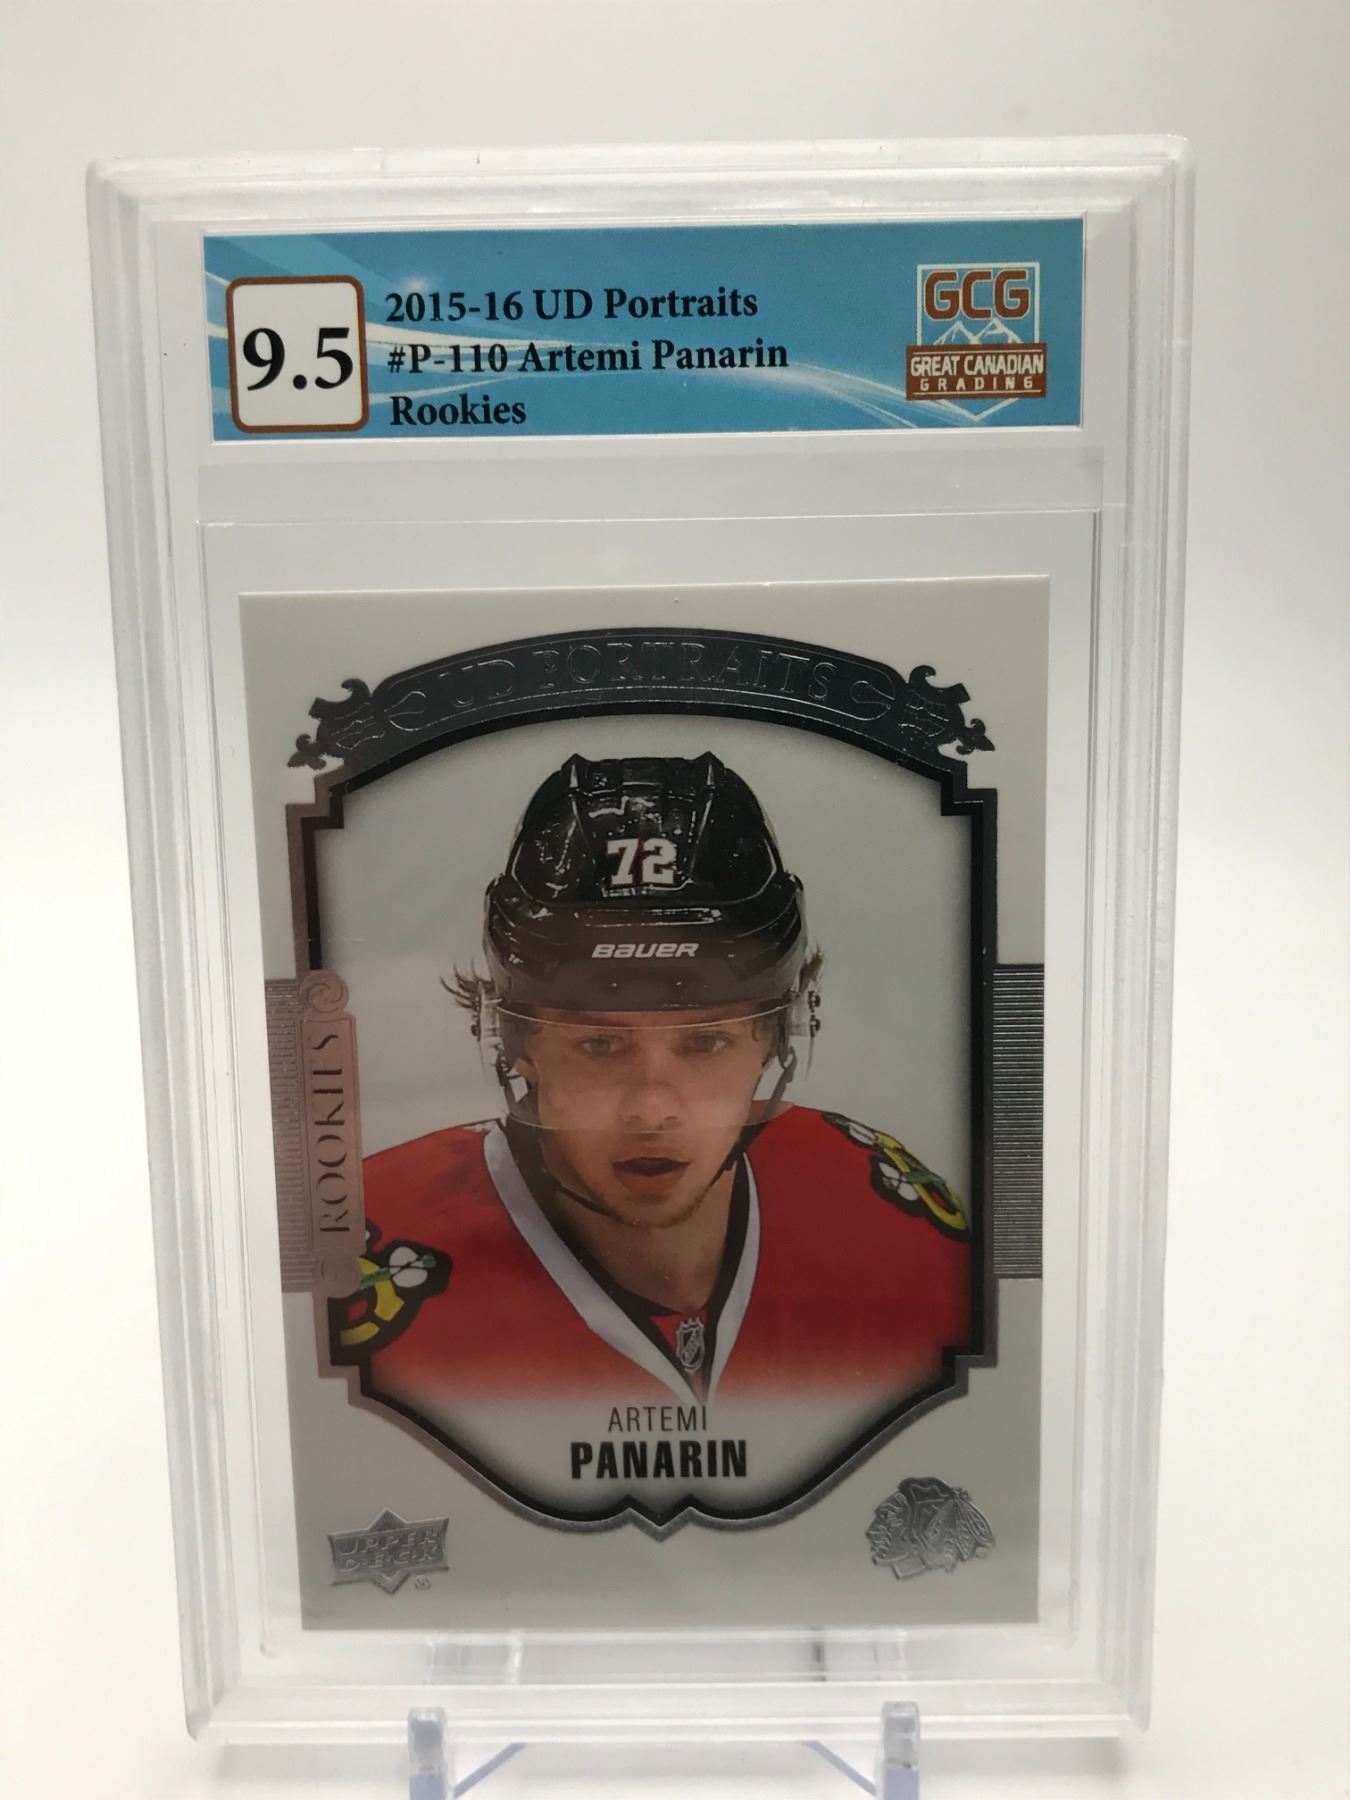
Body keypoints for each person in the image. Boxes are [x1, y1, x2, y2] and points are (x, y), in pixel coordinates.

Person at [331, 751, 974, 1437]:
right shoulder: (352, 1261)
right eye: (599, 1046)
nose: (651, 1109)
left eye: (706, 1043)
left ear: (772, 1042)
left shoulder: (897, 1229)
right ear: (519, 1046)